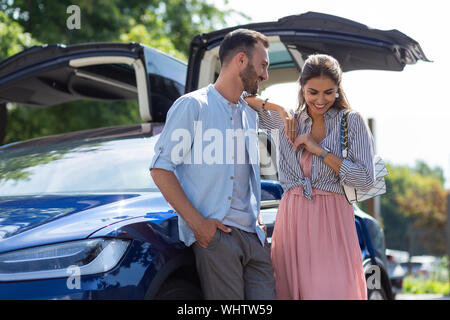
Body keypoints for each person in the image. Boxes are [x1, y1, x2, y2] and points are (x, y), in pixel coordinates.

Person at [149, 29, 294, 300]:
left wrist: (258, 217)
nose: (265, 75)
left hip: (254, 237)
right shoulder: (192, 106)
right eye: (263, 65)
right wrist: (199, 225)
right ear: (241, 60)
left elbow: (245, 174)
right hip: (218, 238)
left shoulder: (251, 114)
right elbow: (160, 168)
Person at [243, 54, 373, 300]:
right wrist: (279, 109)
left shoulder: (351, 121)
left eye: (329, 92)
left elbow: (365, 179)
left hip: (333, 222)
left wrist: (320, 151)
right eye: (313, 92)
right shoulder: (287, 119)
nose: (321, 100)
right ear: (302, 87)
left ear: (338, 89)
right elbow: (241, 98)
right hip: (292, 220)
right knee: (288, 291)